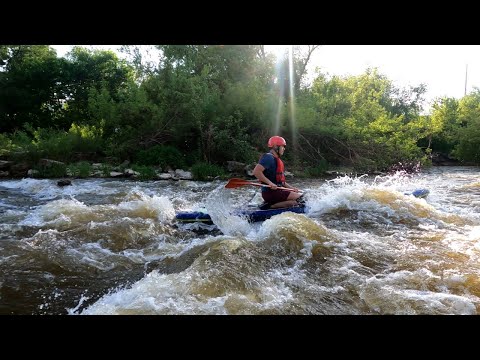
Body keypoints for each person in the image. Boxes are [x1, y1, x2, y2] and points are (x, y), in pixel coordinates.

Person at [252, 136, 303, 209]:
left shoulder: (277, 160)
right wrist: (270, 183)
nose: (284, 149)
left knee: (296, 202)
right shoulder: (268, 157)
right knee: (302, 198)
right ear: (276, 146)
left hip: (278, 192)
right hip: (271, 193)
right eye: (282, 146)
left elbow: (282, 182)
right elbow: (256, 172)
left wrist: (292, 188)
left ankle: (272, 204)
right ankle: (270, 206)